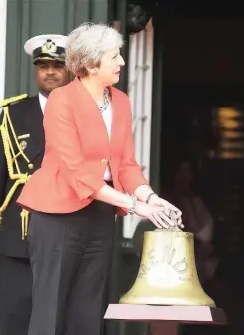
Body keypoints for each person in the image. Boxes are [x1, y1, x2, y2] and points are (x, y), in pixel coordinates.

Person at [16, 22, 182, 335]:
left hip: (100, 214)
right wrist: (136, 206)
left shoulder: (121, 101)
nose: (122, 62)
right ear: (91, 63)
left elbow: (127, 165)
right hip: (57, 216)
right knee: (50, 312)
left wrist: (153, 199)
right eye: (115, 56)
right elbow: (77, 174)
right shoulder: (61, 101)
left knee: (87, 311)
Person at [0, 34, 70, 335]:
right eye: (43, 65)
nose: (50, 72)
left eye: (57, 65)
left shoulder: (83, 112)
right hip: (18, 228)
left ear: (69, 69)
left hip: (64, 226)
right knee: (15, 316)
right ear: (36, 70)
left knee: (59, 318)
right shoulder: (12, 113)